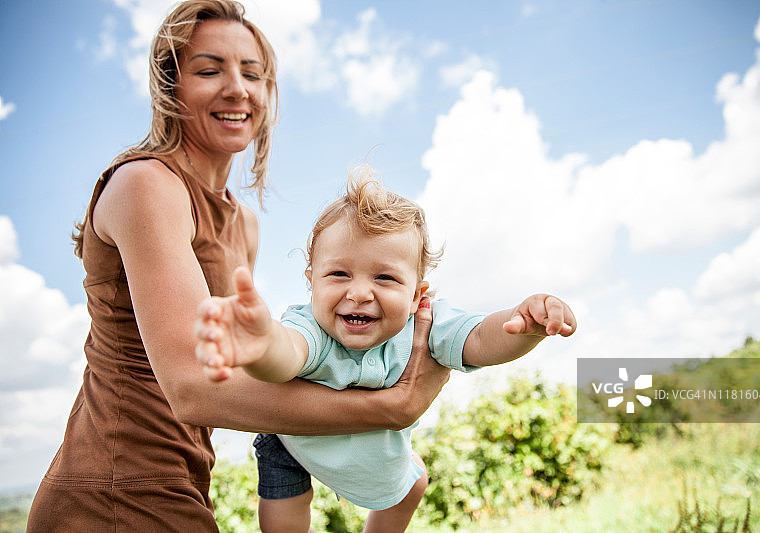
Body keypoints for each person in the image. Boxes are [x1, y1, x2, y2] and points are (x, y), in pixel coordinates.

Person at [26, 2, 450, 531]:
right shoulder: (146, 185)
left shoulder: (243, 222)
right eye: (210, 70)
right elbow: (193, 389)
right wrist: (390, 408)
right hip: (112, 491)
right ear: (169, 84)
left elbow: (253, 370)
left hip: (183, 484)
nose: (237, 89)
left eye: (252, 74)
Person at [194, 168, 577, 533]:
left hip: (372, 446)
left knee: (413, 484)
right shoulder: (309, 326)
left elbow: (478, 339)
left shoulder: (425, 325)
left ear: (416, 296)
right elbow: (288, 354)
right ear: (311, 282)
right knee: (281, 526)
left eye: (384, 277)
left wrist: (524, 325)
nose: (359, 293)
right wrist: (262, 345)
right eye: (339, 274)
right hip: (294, 441)